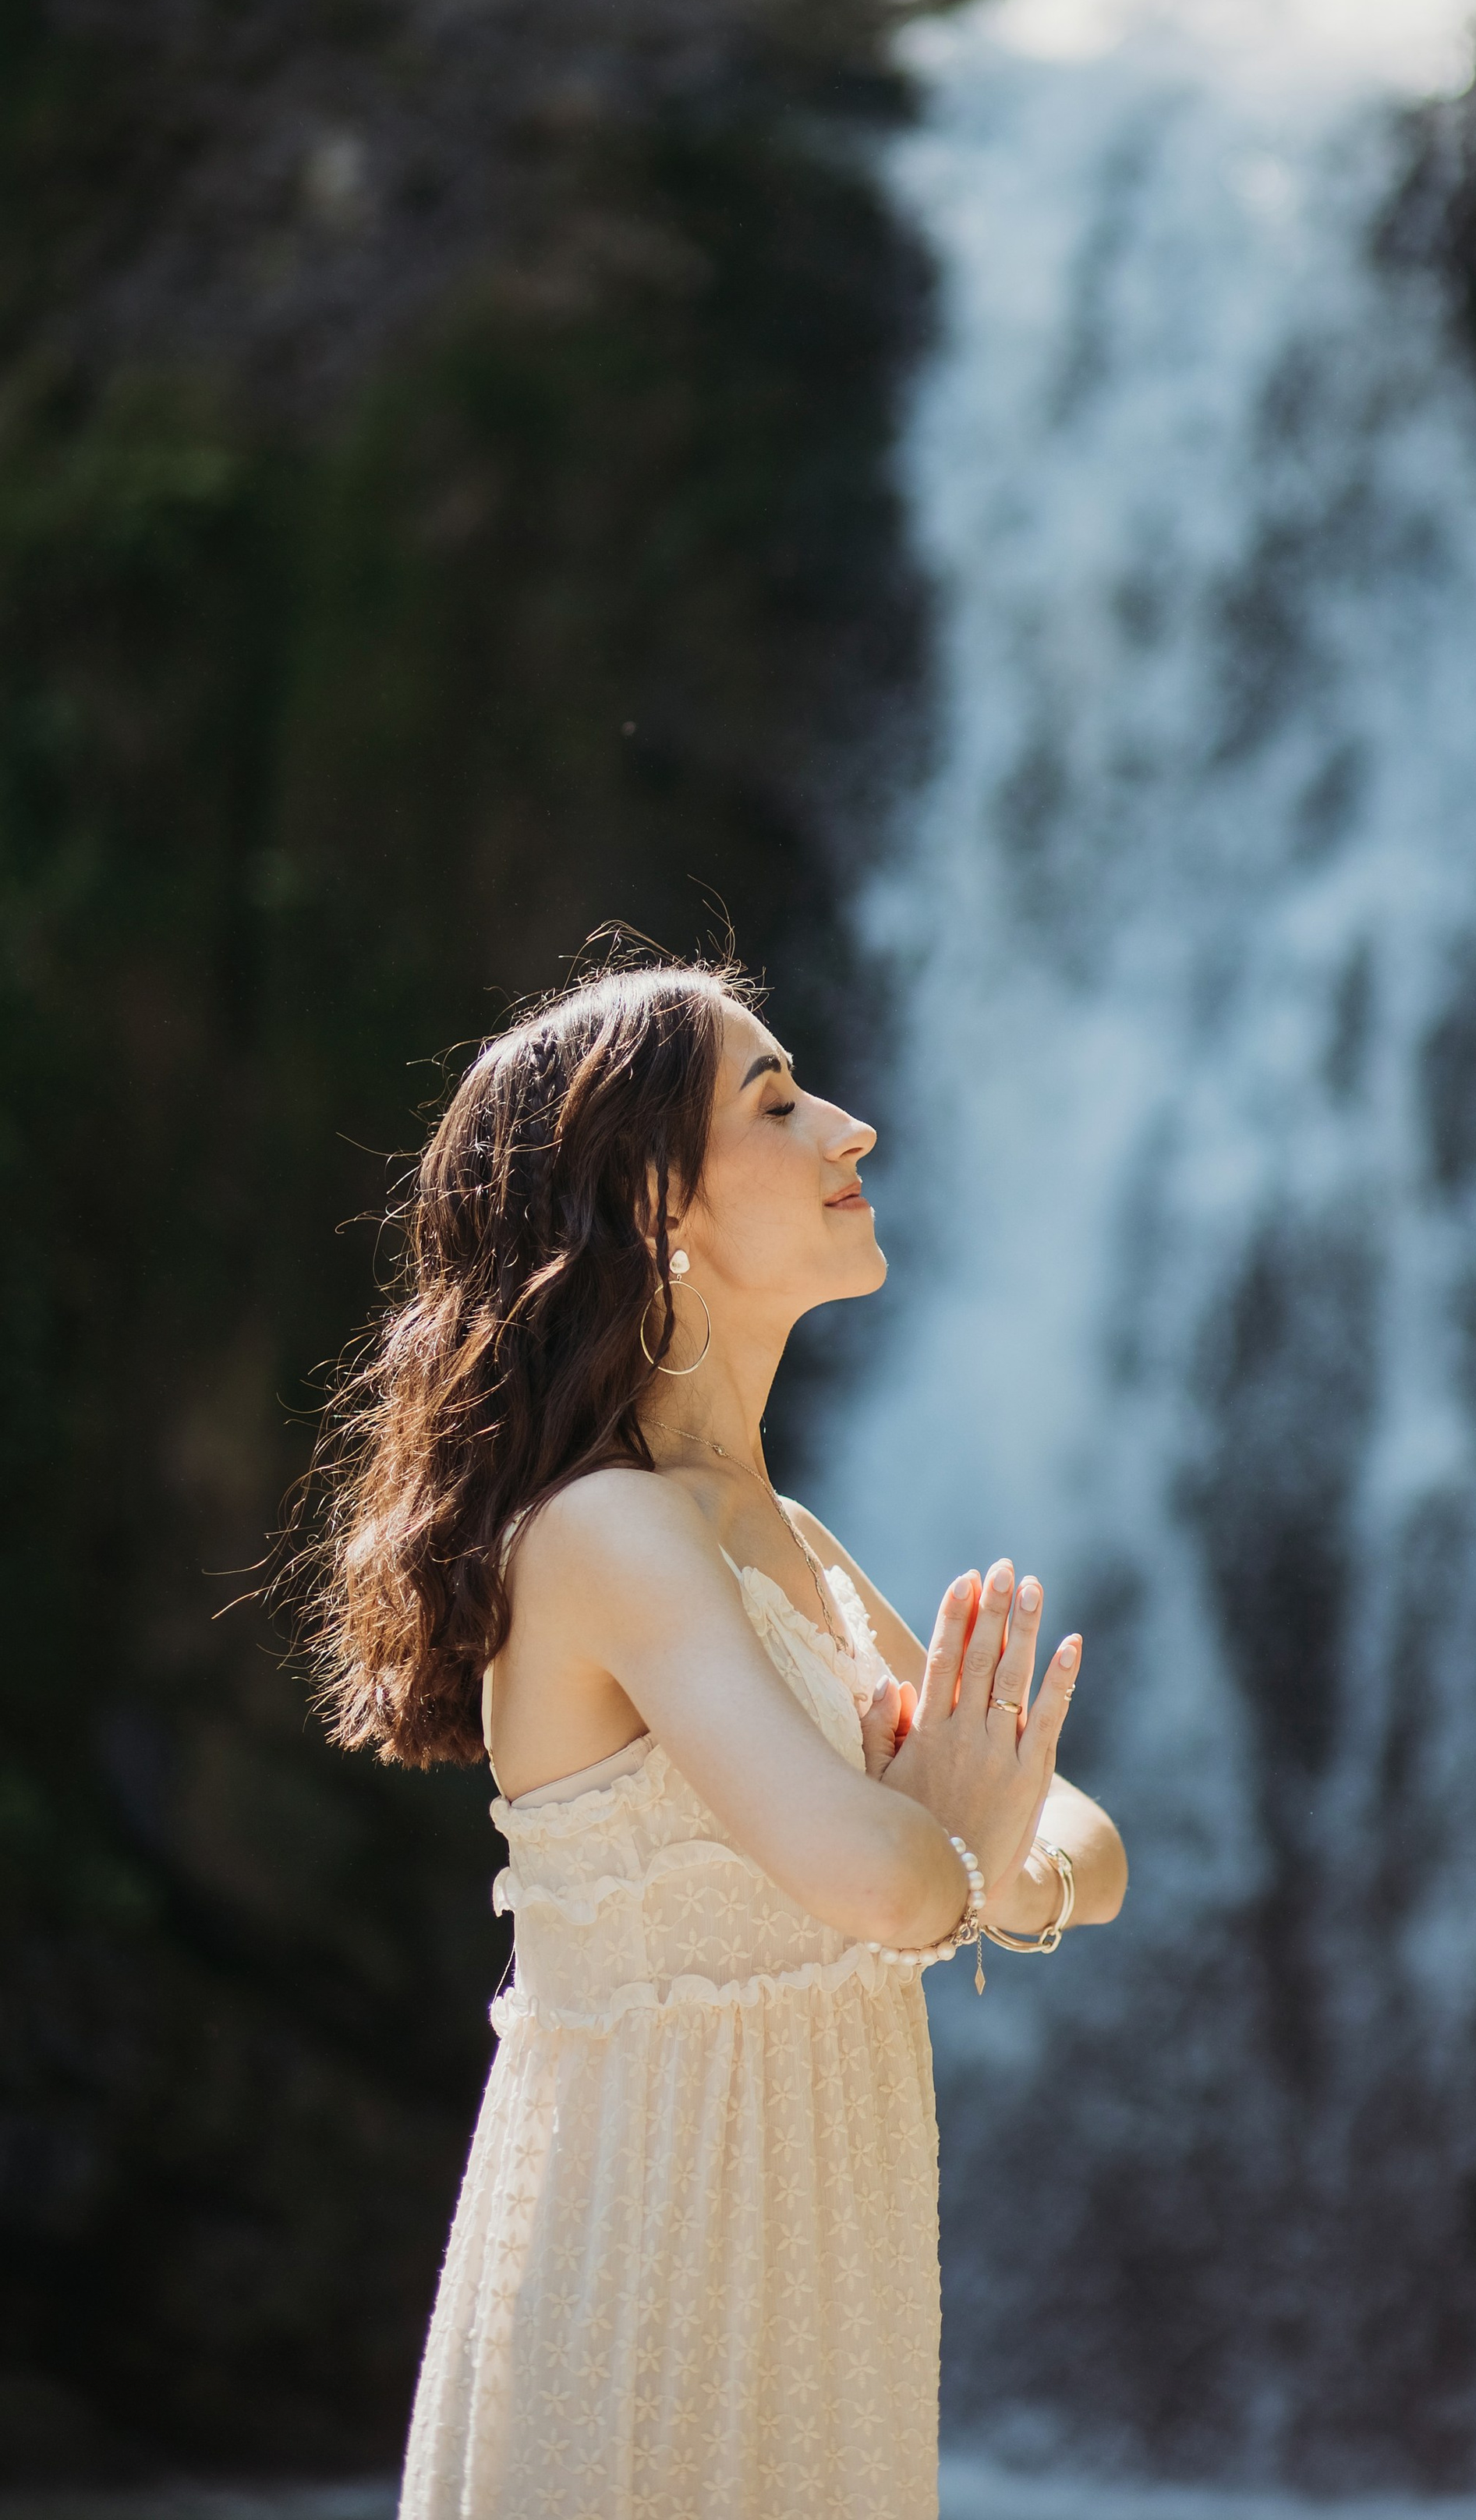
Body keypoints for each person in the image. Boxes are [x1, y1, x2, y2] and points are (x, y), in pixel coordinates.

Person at [306, 954, 1127, 2520]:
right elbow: (881, 1886)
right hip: (648, 2279)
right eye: (777, 1101)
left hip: (820, 2273)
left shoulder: (794, 1542)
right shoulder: (606, 1534)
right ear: (651, 1203)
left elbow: (1083, 1851)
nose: (853, 1126)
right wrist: (958, 1845)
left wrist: (967, 1852)